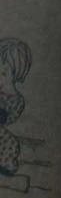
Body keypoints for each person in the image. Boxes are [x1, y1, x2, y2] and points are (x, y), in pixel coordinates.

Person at [0, 38, 32, 180]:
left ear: (15, 75)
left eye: (4, 73)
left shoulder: (17, 100)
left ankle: (4, 166)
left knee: (10, 143)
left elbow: (8, 118)